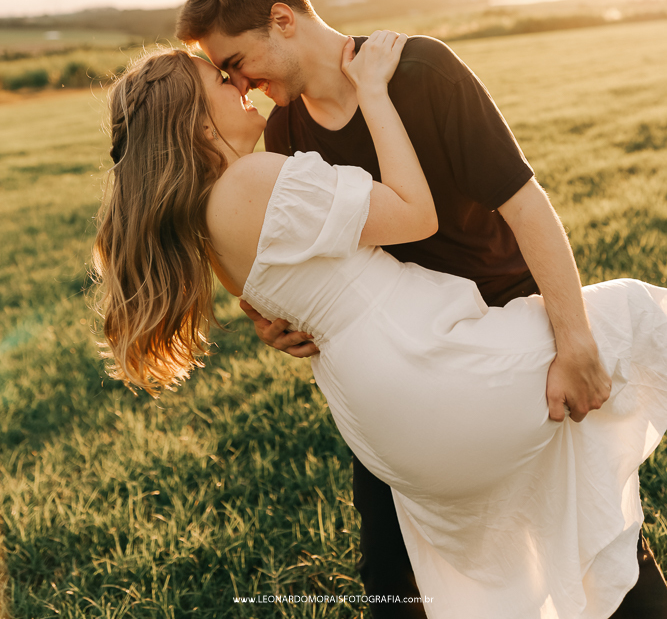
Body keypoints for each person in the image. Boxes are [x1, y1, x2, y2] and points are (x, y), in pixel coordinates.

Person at [95, 34, 667, 618]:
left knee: (549, 483)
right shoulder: (254, 179)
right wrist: (373, 92)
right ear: (196, 122)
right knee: (640, 314)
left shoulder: (205, 222)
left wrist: (274, 327)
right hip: (429, 367)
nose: (238, 85)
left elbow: (289, 297)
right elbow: (415, 214)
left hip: (375, 419)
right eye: (221, 79)